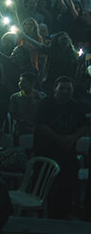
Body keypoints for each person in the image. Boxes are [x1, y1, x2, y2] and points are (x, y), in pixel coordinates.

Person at [34, 76, 89, 218]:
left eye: (68, 89)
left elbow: (84, 126)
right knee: (45, 187)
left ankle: (64, 213)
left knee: (68, 185)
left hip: (67, 154)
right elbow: (40, 125)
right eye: (62, 88)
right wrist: (59, 139)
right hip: (46, 152)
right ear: (55, 89)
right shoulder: (46, 104)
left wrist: (72, 138)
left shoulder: (75, 106)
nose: (65, 91)